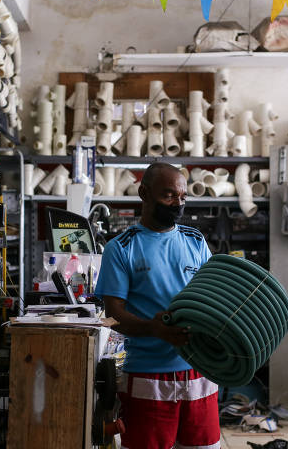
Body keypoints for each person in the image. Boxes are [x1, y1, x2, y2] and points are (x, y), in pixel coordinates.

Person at [95, 162, 220, 449]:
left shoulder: (195, 241)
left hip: (199, 373)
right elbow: (113, 315)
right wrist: (154, 328)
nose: (178, 204)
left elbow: (212, 297)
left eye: (183, 197)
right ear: (144, 193)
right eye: (169, 196)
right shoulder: (122, 247)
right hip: (148, 378)